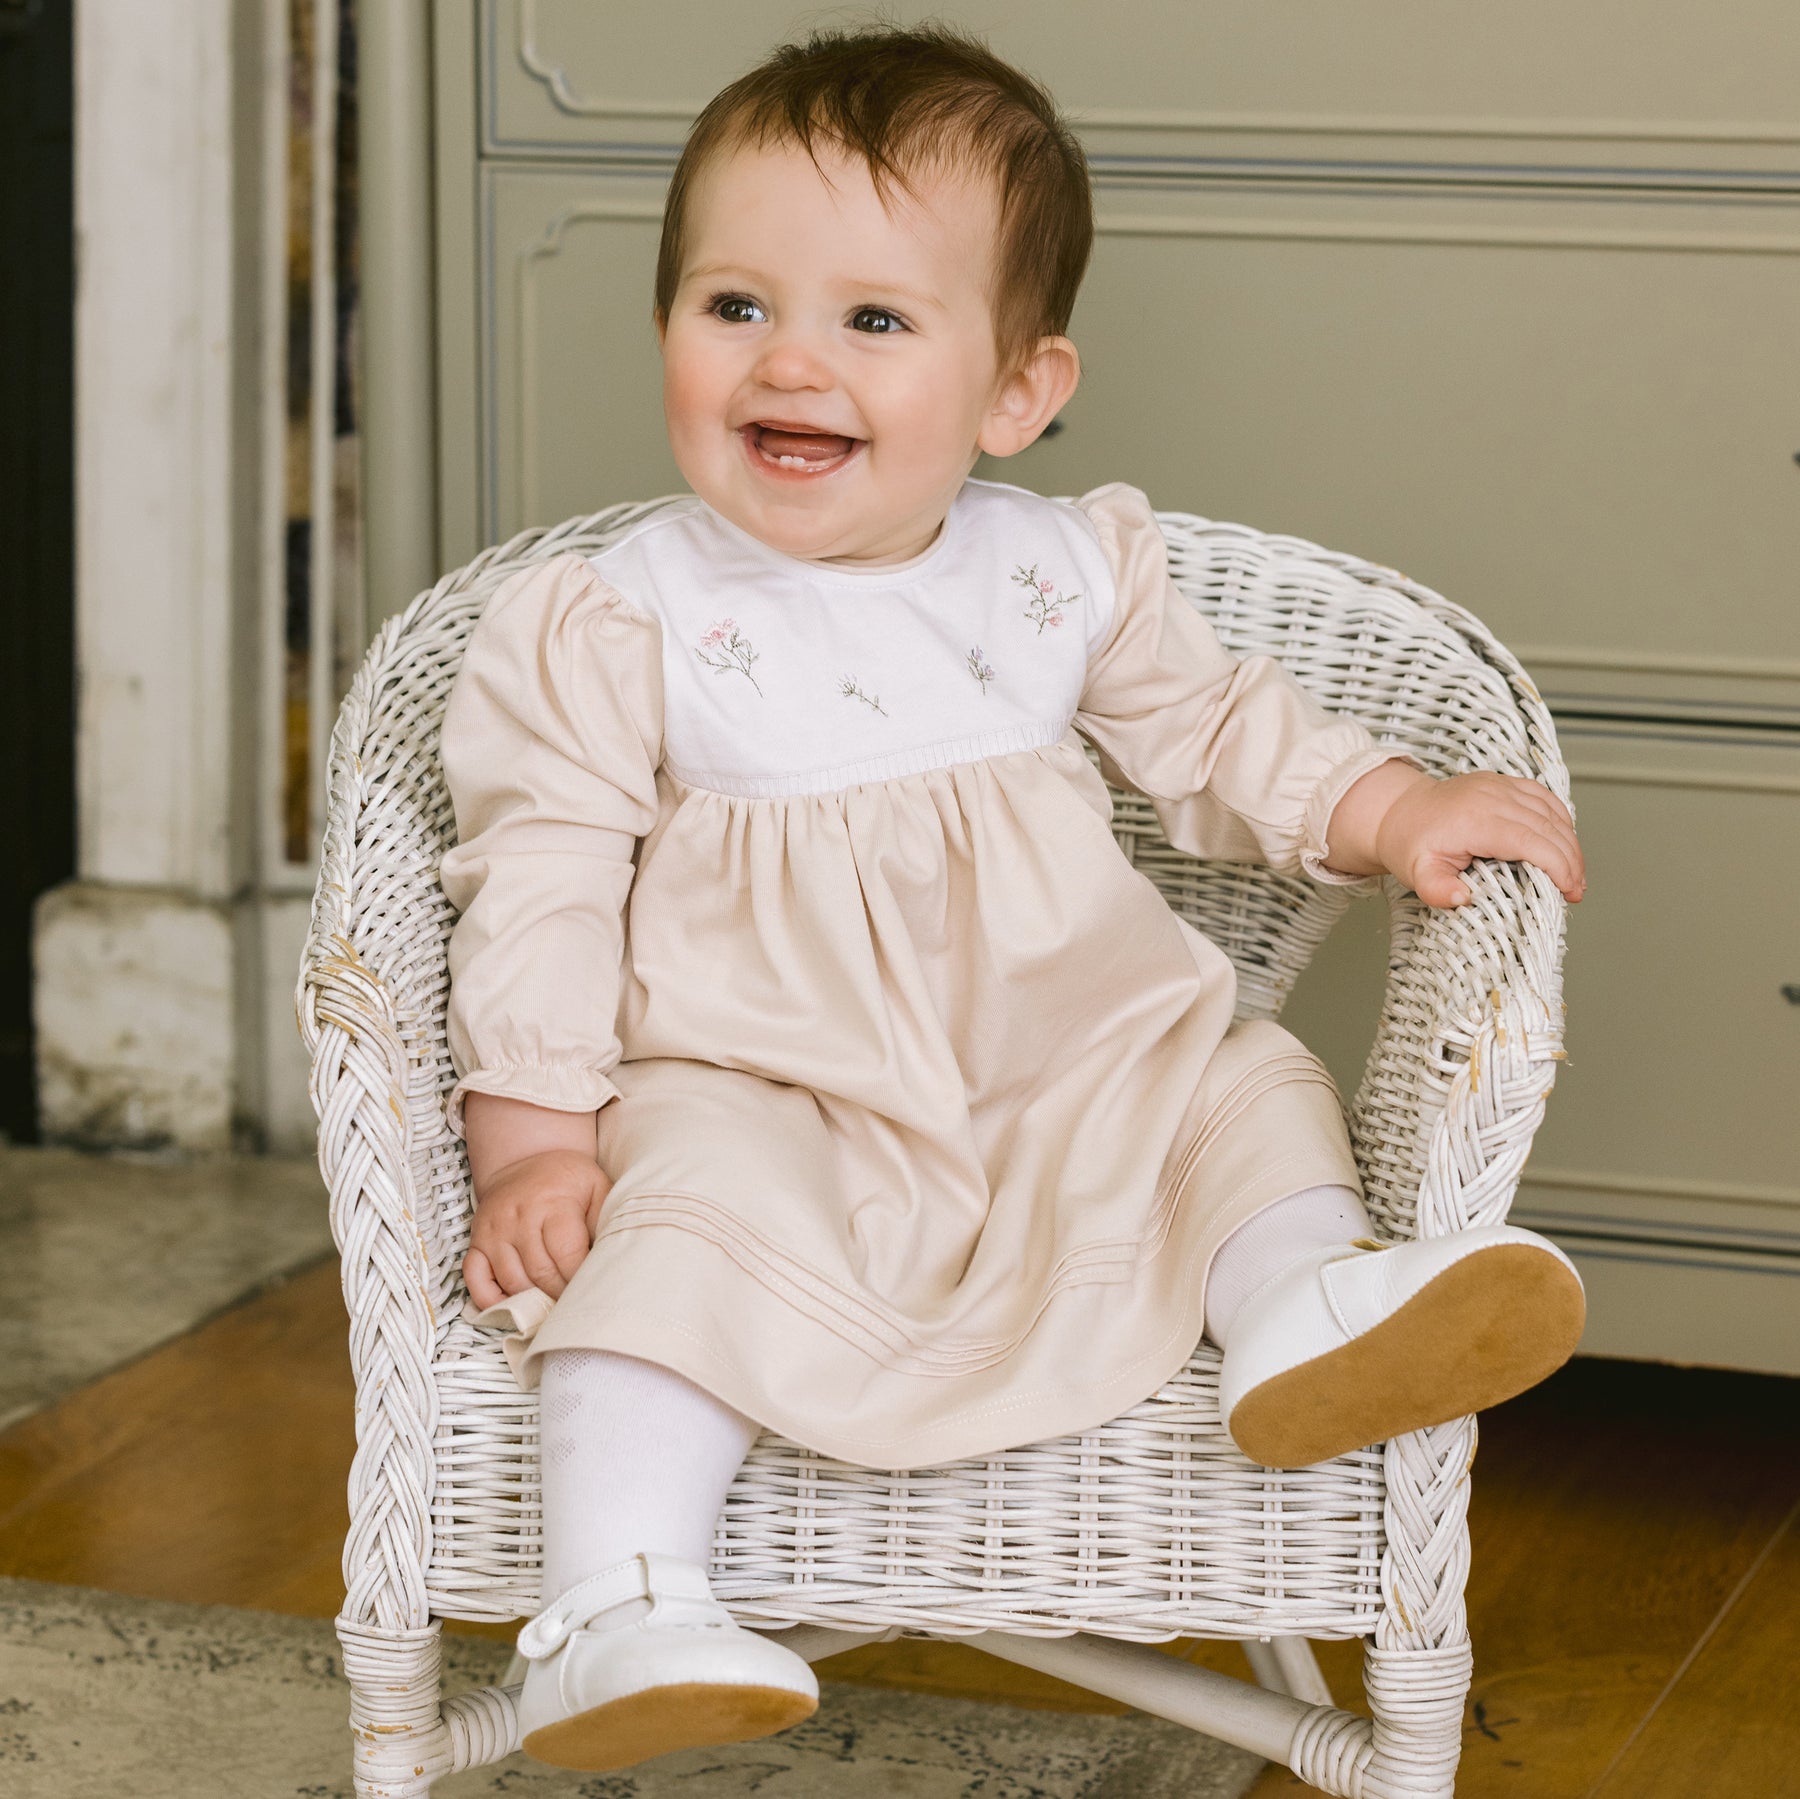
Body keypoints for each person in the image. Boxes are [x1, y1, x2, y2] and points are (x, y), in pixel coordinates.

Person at [438, 23, 1588, 1774]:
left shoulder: (1058, 572)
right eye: (734, 305)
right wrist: (533, 1134)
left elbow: (1221, 732)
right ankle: (620, 1599)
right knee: (669, 1237)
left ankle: (1303, 1307)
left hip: (1068, 1066)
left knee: (1240, 1083)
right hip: (770, 1091)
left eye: (873, 320)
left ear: (1015, 394)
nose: (790, 361)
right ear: (664, 323)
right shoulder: (622, 617)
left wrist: (1390, 807)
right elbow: (540, 871)